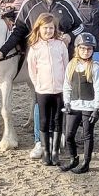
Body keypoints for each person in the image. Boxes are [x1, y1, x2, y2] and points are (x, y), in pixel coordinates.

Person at [0, 0, 85, 159]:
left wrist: (69, 36)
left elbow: (80, 25)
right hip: (39, 61)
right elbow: (17, 32)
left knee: (63, 98)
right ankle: (39, 141)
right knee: (40, 100)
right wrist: (2, 51)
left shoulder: (65, 4)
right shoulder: (30, 4)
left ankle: (60, 136)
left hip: (62, 57)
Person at [26, 13, 68, 166]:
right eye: (45, 28)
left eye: (51, 28)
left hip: (58, 90)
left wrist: (64, 84)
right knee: (43, 120)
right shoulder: (35, 48)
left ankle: (55, 151)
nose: (48, 31)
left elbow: (65, 65)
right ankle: (46, 151)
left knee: (57, 120)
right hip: (42, 90)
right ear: (39, 28)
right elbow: (32, 70)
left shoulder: (60, 45)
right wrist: (38, 85)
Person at [61, 33, 99, 173]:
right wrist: (66, 102)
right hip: (73, 106)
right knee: (69, 135)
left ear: (92, 51)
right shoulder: (71, 66)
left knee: (87, 135)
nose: (86, 51)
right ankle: (73, 158)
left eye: (89, 49)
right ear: (77, 49)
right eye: (83, 48)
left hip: (89, 106)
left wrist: (97, 108)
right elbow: (67, 86)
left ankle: (86, 162)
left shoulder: (95, 68)